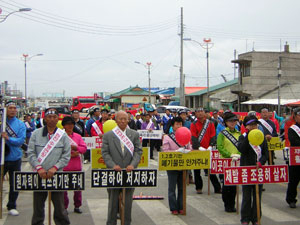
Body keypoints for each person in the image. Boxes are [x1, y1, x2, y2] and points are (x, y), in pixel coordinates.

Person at [27, 108, 71, 225]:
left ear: (58, 119)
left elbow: (66, 156)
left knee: (60, 208)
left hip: (57, 176)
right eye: (49, 117)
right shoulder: (36, 134)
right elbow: (30, 153)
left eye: (54, 117)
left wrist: (55, 168)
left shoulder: (63, 135)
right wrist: (38, 167)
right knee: (38, 208)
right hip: (39, 175)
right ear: (45, 119)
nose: (51, 119)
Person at [101, 111, 142, 225]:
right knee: (113, 201)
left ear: (128, 120)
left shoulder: (134, 134)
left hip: (129, 173)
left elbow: (138, 151)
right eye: (120, 119)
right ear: (115, 120)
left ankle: (126, 222)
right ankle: (111, 222)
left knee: (128, 201)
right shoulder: (108, 135)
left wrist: (133, 165)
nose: (123, 121)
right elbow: (105, 153)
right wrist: (112, 165)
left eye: (125, 119)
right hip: (114, 172)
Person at [238, 115, 268, 225]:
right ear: (246, 126)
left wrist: (261, 162)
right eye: (251, 125)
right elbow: (241, 149)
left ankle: (256, 218)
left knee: (257, 195)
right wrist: (248, 137)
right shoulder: (243, 137)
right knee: (246, 196)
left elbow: (265, 153)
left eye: (255, 124)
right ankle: (245, 218)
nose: (253, 126)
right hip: (246, 170)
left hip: (258, 170)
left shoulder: (262, 137)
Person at [0, 101, 26, 216]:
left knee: (15, 184)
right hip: (2, 158)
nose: (12, 110)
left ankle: (11, 205)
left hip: (15, 158)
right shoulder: (2, 123)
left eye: (14, 108)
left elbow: (21, 140)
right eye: (10, 108)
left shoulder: (20, 124)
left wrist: (9, 138)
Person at [163, 117, 192, 215]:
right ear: (173, 126)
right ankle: (173, 208)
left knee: (182, 188)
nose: (179, 126)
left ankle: (181, 206)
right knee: (172, 188)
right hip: (172, 165)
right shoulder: (167, 137)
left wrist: (188, 151)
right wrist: (176, 152)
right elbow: (165, 151)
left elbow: (190, 148)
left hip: (184, 165)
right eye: (177, 124)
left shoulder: (187, 135)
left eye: (180, 124)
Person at [190, 108, 222, 194]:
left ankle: (217, 188)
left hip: (208, 149)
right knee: (197, 170)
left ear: (204, 113)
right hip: (198, 149)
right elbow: (193, 136)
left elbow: (213, 135)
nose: (200, 113)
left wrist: (211, 145)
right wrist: (198, 147)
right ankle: (198, 187)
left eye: (202, 111)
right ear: (195, 114)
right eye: (198, 112)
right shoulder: (193, 124)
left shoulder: (210, 123)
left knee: (210, 170)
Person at [62, 116, 87, 213]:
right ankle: (64, 207)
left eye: (72, 124)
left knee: (77, 189)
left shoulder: (78, 136)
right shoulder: (60, 136)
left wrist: (76, 148)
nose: (70, 126)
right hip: (64, 167)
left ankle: (77, 206)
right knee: (63, 190)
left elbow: (83, 148)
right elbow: (58, 150)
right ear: (64, 126)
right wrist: (70, 154)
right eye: (68, 124)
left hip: (76, 167)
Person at [217, 112, 241, 213]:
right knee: (227, 185)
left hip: (236, 162)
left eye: (234, 121)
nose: (232, 123)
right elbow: (220, 147)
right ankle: (227, 204)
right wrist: (229, 155)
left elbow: (241, 146)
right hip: (226, 161)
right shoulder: (222, 134)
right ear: (226, 122)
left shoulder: (238, 133)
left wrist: (238, 154)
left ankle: (232, 204)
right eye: (230, 121)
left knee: (234, 184)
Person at [286, 107, 300, 208]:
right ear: (295, 116)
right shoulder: (292, 129)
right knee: (294, 180)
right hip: (296, 157)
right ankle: (291, 199)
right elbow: (295, 142)